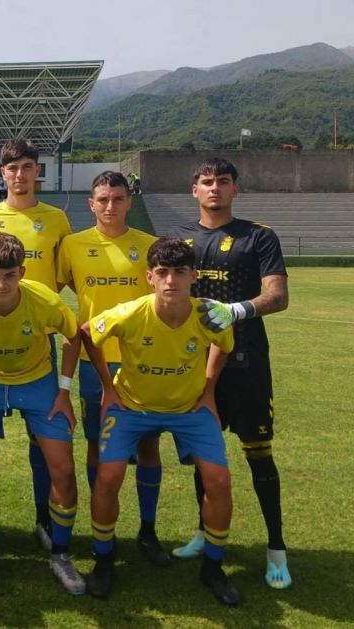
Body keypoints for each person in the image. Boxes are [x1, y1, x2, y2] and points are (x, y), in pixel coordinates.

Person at [81, 236, 239, 605]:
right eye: (163, 273)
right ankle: (103, 560)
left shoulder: (208, 314)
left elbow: (223, 343)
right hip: (132, 407)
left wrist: (209, 390)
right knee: (108, 476)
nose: (171, 281)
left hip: (189, 410)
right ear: (149, 277)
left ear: (193, 276)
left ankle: (213, 568)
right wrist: (109, 388)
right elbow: (89, 333)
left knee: (219, 481)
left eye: (179, 273)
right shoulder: (132, 312)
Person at [169, 158, 291, 589]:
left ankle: (276, 547)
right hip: (197, 368)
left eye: (223, 181)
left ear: (235, 189)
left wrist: (237, 310)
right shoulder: (180, 239)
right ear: (194, 189)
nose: (214, 188)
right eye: (206, 181)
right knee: (205, 458)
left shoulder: (258, 236)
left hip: (248, 364)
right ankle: (204, 534)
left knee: (259, 455)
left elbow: (278, 296)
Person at [0, 233, 83, 594]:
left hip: (38, 385)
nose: (1, 284)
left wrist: (64, 391)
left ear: (22, 271)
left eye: (9, 275)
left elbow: (73, 336)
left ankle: (62, 554)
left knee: (64, 471)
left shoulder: (45, 301)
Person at [56, 171, 169, 567]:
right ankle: (101, 528)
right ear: (91, 203)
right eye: (102, 199)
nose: (110, 206)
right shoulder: (72, 245)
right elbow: (65, 290)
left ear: (128, 201)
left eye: (117, 199)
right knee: (97, 446)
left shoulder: (150, 246)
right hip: (95, 362)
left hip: (144, 362)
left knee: (148, 445)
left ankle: (148, 530)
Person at [0, 137, 71, 550]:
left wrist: (37, 309)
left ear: (37, 171)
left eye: (28, 167)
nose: (20, 175)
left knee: (42, 440)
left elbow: (61, 277)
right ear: (2, 173)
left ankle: (45, 520)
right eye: (12, 168)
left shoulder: (57, 220)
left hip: (39, 343)